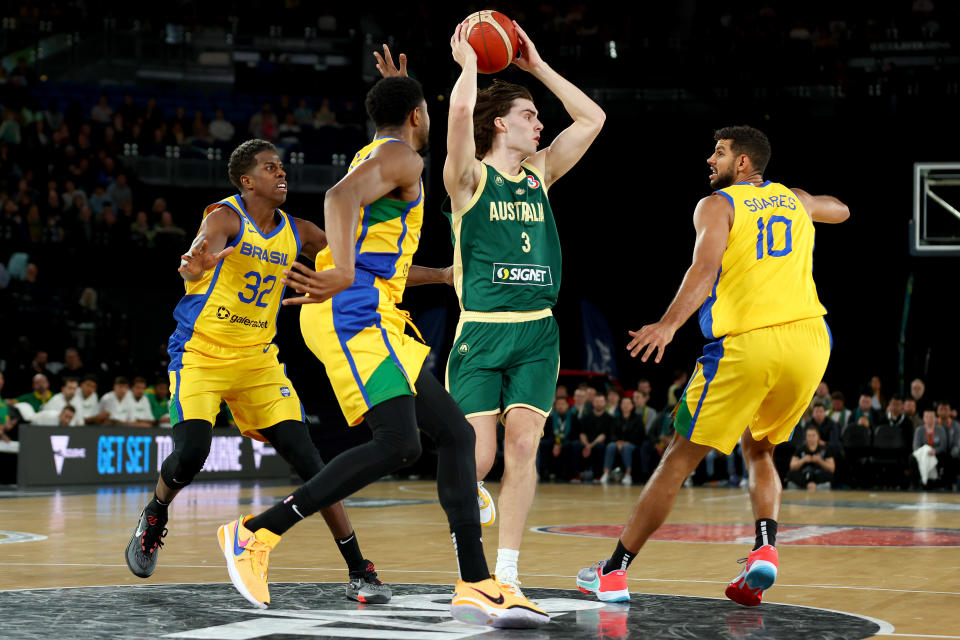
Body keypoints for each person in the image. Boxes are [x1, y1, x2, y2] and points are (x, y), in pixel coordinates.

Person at [214, 53, 547, 627]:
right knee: (401, 442)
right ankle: (255, 533)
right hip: (353, 311)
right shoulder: (403, 156)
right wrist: (341, 269)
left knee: (449, 437)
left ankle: (474, 581)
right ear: (419, 114)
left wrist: (437, 275)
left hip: (375, 311)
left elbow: (377, 255)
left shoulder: (386, 152)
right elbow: (338, 201)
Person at [575, 125, 849, 606]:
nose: (710, 159)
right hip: (810, 341)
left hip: (749, 343)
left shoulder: (717, 205)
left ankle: (613, 572)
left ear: (743, 163)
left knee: (678, 459)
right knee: (759, 449)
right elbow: (842, 210)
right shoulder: (796, 199)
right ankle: (764, 549)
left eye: (719, 153)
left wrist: (667, 324)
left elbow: (703, 270)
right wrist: (796, 203)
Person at [122, 138, 390, 606]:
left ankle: (358, 568)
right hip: (201, 353)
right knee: (191, 454)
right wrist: (194, 268)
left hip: (258, 361)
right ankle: (155, 513)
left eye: (282, 167)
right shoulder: (225, 217)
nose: (281, 173)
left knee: (311, 462)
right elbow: (196, 257)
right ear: (247, 181)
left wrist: (442, 275)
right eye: (270, 168)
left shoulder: (301, 231)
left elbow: (361, 269)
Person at [442, 19, 605, 595]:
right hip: (482, 332)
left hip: (537, 331)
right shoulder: (468, 179)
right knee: (478, 457)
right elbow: (459, 118)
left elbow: (592, 119)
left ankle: (507, 571)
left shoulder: (539, 174)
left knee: (522, 445)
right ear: (500, 124)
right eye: (530, 114)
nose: (541, 123)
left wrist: (536, 67)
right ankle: (469, 528)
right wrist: (468, 66)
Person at [786, 424, 836, 490]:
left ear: (818, 437)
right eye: (809, 436)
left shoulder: (825, 449)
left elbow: (832, 468)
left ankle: (813, 485)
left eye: (813, 436)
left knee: (830, 475)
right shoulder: (800, 449)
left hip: (818, 475)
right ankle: (808, 485)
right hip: (804, 475)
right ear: (806, 437)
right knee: (791, 474)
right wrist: (803, 460)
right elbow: (792, 466)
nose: (811, 438)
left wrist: (820, 461)